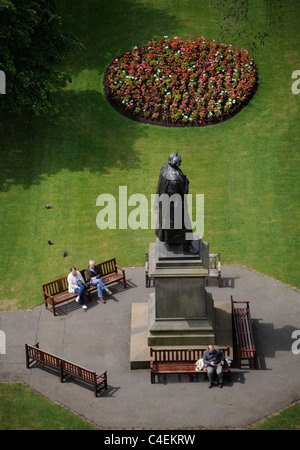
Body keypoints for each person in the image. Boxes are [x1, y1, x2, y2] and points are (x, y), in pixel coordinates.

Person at [154, 152, 196, 253]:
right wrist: (186, 183)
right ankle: (187, 245)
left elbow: (159, 186)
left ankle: (170, 240)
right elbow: (183, 195)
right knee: (185, 225)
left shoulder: (165, 168)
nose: (181, 162)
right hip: (175, 208)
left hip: (165, 204)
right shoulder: (175, 180)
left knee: (168, 225)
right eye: (179, 160)